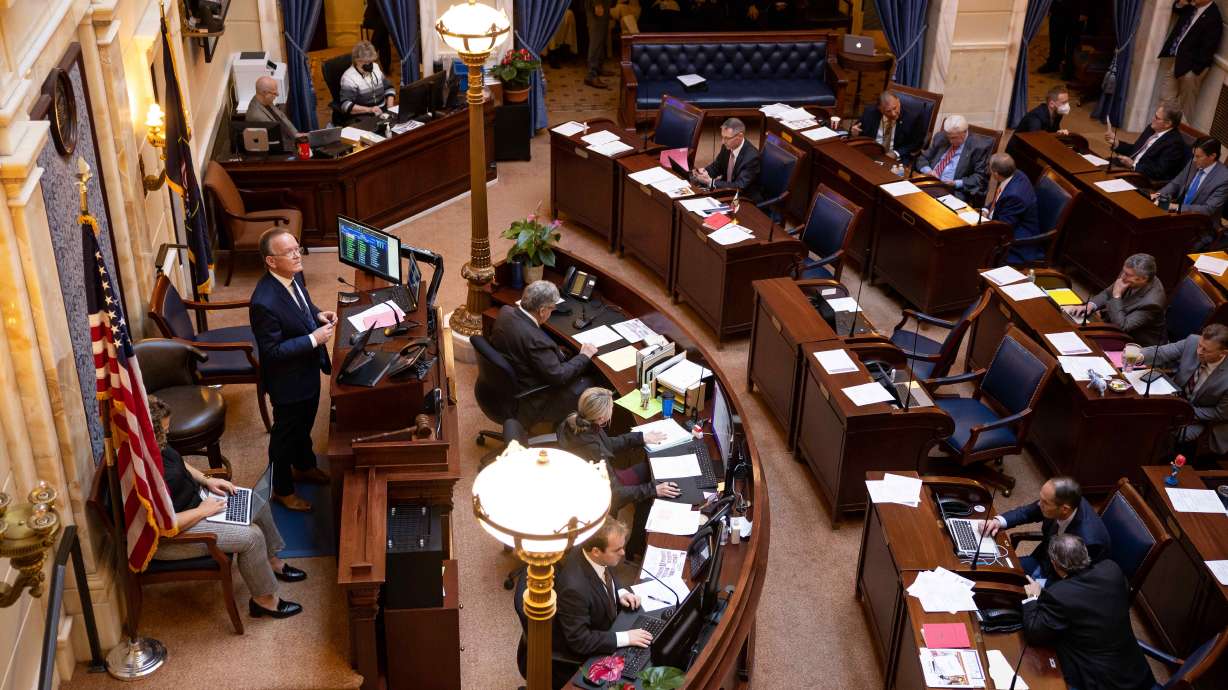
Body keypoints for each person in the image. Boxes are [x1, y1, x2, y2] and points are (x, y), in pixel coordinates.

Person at [148, 396, 306, 619]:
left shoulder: (156, 445)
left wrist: (206, 479)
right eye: (163, 431)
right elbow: (162, 525)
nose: (168, 434)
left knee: (255, 502)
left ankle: (271, 562)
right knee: (252, 536)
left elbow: (177, 461)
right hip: (175, 535)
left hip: (197, 503)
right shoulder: (140, 472)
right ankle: (264, 600)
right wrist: (203, 511)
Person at [249, 228, 335, 512]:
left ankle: (305, 466)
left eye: (297, 248)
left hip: (306, 373)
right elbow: (272, 353)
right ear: (271, 261)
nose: (298, 254)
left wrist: (317, 314)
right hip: (288, 382)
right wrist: (314, 338)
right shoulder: (264, 302)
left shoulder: (291, 277)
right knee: (284, 437)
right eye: (289, 252)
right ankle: (282, 490)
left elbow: (302, 306)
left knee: (304, 426)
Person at [1021, 535, 1156, 690]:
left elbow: (1034, 631)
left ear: (1054, 563)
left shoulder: (1059, 594)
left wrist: (1033, 597)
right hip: (1136, 671)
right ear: (1085, 554)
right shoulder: (1112, 569)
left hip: (1102, 681)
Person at [557, 388, 678, 559]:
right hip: (598, 496)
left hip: (586, 482)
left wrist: (640, 437)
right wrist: (653, 490)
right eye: (611, 408)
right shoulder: (593, 449)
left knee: (648, 472)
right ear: (601, 418)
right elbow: (615, 494)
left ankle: (636, 543)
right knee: (651, 486)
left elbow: (607, 444)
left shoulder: (576, 423)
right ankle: (636, 545)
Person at [553, 518, 653, 688]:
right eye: (617, 549)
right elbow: (580, 640)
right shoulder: (574, 589)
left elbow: (607, 569)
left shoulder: (596, 555)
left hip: (605, 620)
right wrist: (625, 638)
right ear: (596, 551)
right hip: (587, 645)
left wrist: (620, 592)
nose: (623, 553)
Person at [489, 280, 598, 425]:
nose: (552, 312)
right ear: (542, 311)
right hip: (533, 397)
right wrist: (584, 356)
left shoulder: (505, 312)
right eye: (552, 309)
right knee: (592, 384)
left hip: (506, 383)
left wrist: (555, 351)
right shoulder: (536, 341)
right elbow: (558, 376)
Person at [985, 476, 1110, 582]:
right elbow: (1027, 512)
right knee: (994, 571)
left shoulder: (1089, 542)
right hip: (1042, 560)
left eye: (1044, 502)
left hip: (1058, 582)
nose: (1039, 504)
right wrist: (998, 521)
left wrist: (1040, 587)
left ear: (1064, 509)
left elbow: (1074, 582)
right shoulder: (1061, 501)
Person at [1142, 323, 1228, 463]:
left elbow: (1220, 413)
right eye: (1200, 345)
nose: (1199, 351)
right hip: (1175, 399)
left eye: (1206, 350)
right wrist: (1139, 356)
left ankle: (1154, 465)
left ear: (1223, 353)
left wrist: (1184, 411)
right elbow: (1163, 352)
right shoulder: (1193, 341)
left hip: (1202, 418)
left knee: (1159, 431)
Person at [1064, 253, 1166, 347]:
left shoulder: (1152, 303)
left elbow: (1122, 327)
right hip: (1114, 323)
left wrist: (1116, 296)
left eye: (1127, 275)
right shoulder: (1130, 273)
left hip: (1135, 343)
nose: (1122, 276)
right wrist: (1090, 305)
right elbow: (1107, 293)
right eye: (1124, 271)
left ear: (1143, 279)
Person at [1154, 137, 1228, 250]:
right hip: (1177, 216)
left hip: (1201, 227)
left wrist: (1176, 207)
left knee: (1166, 243)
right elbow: (1176, 183)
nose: (1194, 159)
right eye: (1193, 155)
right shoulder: (1193, 163)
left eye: (1198, 156)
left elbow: (1208, 209)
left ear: (1212, 156)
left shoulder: (1224, 178)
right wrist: (1158, 194)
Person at [1158, 0, 1222, 117]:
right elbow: (1176, 8)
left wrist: (1193, 72)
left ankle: (1181, 134)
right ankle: (1161, 132)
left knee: (1184, 109)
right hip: (1178, 61)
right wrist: (1181, 3)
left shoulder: (1214, 17)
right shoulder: (1191, 7)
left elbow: (1208, 49)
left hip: (1192, 69)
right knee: (1165, 100)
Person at [915, 115, 991, 205]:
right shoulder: (941, 137)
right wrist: (928, 171)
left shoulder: (979, 147)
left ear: (964, 133)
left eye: (954, 137)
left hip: (953, 192)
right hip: (929, 182)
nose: (950, 141)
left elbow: (980, 177)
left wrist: (956, 183)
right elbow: (923, 158)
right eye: (949, 137)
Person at [1105, 103, 1189, 184]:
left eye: (1157, 118)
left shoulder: (1174, 143)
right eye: (1154, 115)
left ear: (1167, 124)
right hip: (1126, 167)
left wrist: (1133, 165)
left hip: (1141, 178)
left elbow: (1159, 172)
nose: (1153, 119)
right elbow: (1135, 149)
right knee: (1099, 166)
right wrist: (1117, 143)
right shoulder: (1151, 128)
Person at [984, 153, 1043, 264]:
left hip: (1018, 240)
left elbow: (1004, 228)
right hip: (1007, 221)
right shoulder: (1016, 174)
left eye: (990, 168)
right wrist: (986, 210)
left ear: (996, 174)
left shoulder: (1014, 196)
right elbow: (999, 199)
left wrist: (982, 228)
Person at [692, 118, 762, 201]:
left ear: (740, 136)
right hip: (726, 190)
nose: (723, 141)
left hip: (744, 198)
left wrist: (711, 182)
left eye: (727, 138)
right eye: (722, 137)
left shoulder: (751, 157)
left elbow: (740, 185)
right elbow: (717, 166)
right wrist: (703, 172)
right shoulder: (727, 147)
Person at [850, 90, 927, 162]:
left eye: (895, 108)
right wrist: (854, 132)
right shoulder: (870, 112)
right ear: (880, 109)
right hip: (871, 153)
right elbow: (858, 129)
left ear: (899, 102)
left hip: (896, 158)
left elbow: (916, 143)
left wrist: (896, 153)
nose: (893, 113)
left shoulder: (913, 117)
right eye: (888, 111)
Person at [339, 40, 395, 118]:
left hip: (383, 110)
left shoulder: (375, 67)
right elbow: (345, 105)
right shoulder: (349, 77)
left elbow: (389, 88)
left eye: (370, 62)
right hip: (364, 115)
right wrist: (369, 109)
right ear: (356, 60)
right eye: (365, 62)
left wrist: (390, 108)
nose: (369, 66)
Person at [244, 76, 299, 146]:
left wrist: (296, 134)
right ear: (264, 93)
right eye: (274, 93)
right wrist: (295, 143)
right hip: (281, 146)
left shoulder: (265, 100)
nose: (278, 94)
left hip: (288, 138)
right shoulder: (257, 116)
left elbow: (282, 117)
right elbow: (275, 140)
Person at [1038, 0, 1084, 80]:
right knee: (1055, 39)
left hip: (1075, 10)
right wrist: (1049, 8)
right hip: (1057, 9)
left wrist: (1084, 12)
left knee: (1071, 44)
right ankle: (1053, 64)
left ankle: (1069, 71)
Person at [584, 0, 615, 89]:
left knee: (601, 38)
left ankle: (598, 68)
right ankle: (591, 75)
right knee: (596, 40)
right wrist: (597, 3)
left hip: (604, 4)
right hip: (597, 4)